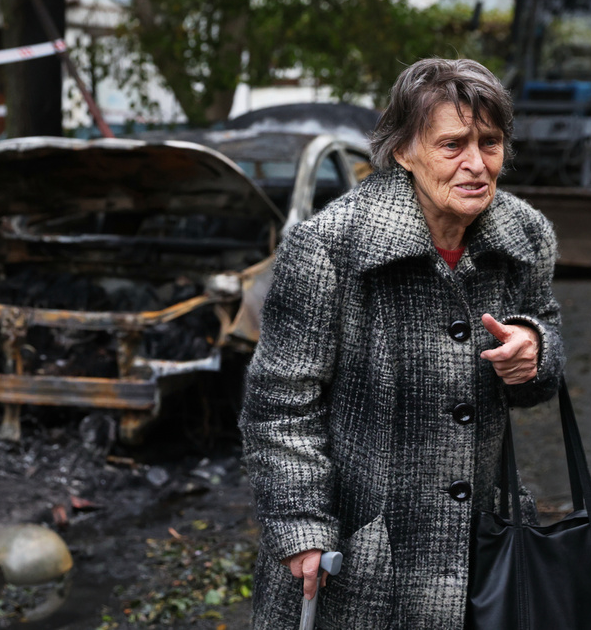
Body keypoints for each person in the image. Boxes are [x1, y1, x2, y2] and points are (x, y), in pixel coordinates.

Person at [239, 57, 565, 629]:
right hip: (359, 559)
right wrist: (302, 525)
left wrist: (535, 350)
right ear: (404, 151)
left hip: (480, 552)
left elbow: (545, 342)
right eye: (452, 145)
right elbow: (279, 406)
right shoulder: (328, 248)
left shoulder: (525, 237)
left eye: (490, 143)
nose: (476, 164)